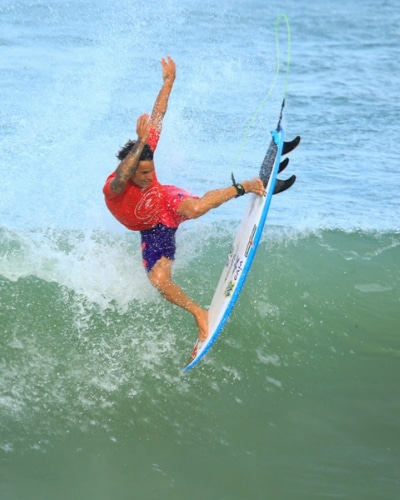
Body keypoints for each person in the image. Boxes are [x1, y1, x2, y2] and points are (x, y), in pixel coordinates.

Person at [102, 56, 299, 351]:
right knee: (159, 281)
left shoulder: (149, 165)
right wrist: (139, 145)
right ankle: (199, 313)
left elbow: (158, 116)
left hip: (169, 203)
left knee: (194, 208)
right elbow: (123, 176)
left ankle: (244, 186)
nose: (147, 177)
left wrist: (168, 82)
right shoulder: (113, 188)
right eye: (142, 174)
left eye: (150, 171)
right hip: (154, 230)